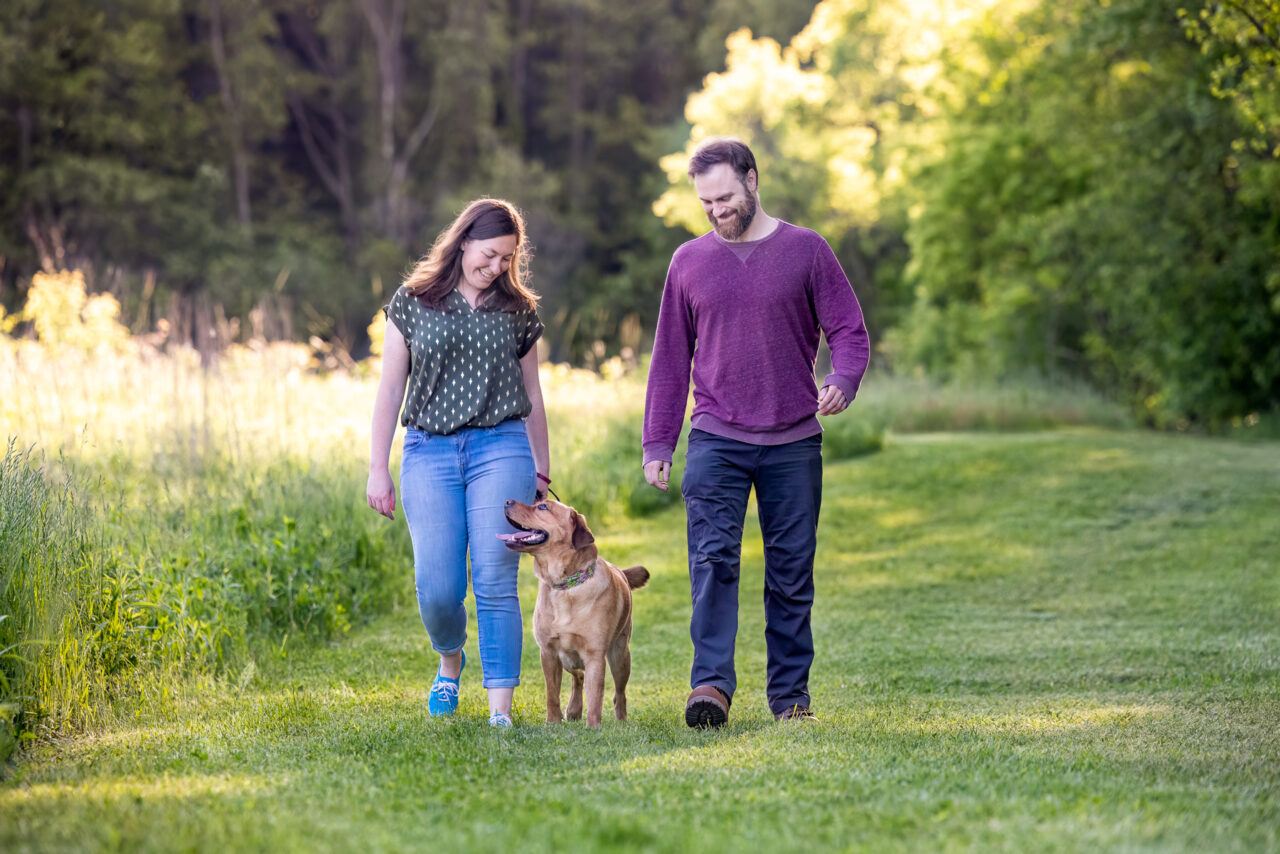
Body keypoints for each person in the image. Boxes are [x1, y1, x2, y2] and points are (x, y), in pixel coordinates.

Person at [642, 138, 869, 727]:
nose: (716, 210)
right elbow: (670, 358)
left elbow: (849, 328)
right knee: (712, 561)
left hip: (793, 438)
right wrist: (658, 442)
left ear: (751, 179)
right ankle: (710, 688)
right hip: (716, 435)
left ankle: (791, 700)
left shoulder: (807, 251)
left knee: (791, 570)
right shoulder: (688, 261)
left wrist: (844, 378)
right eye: (706, 202)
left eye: (724, 197)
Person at [367, 198, 551, 728]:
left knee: (496, 579)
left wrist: (542, 468)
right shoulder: (413, 300)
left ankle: (500, 713)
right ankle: (450, 660)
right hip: (430, 450)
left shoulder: (517, 308)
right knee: (439, 586)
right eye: (489, 254)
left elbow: (533, 393)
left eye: (506, 259)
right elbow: (389, 389)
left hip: (501, 446)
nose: (495, 267)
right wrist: (378, 467)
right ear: (464, 239)